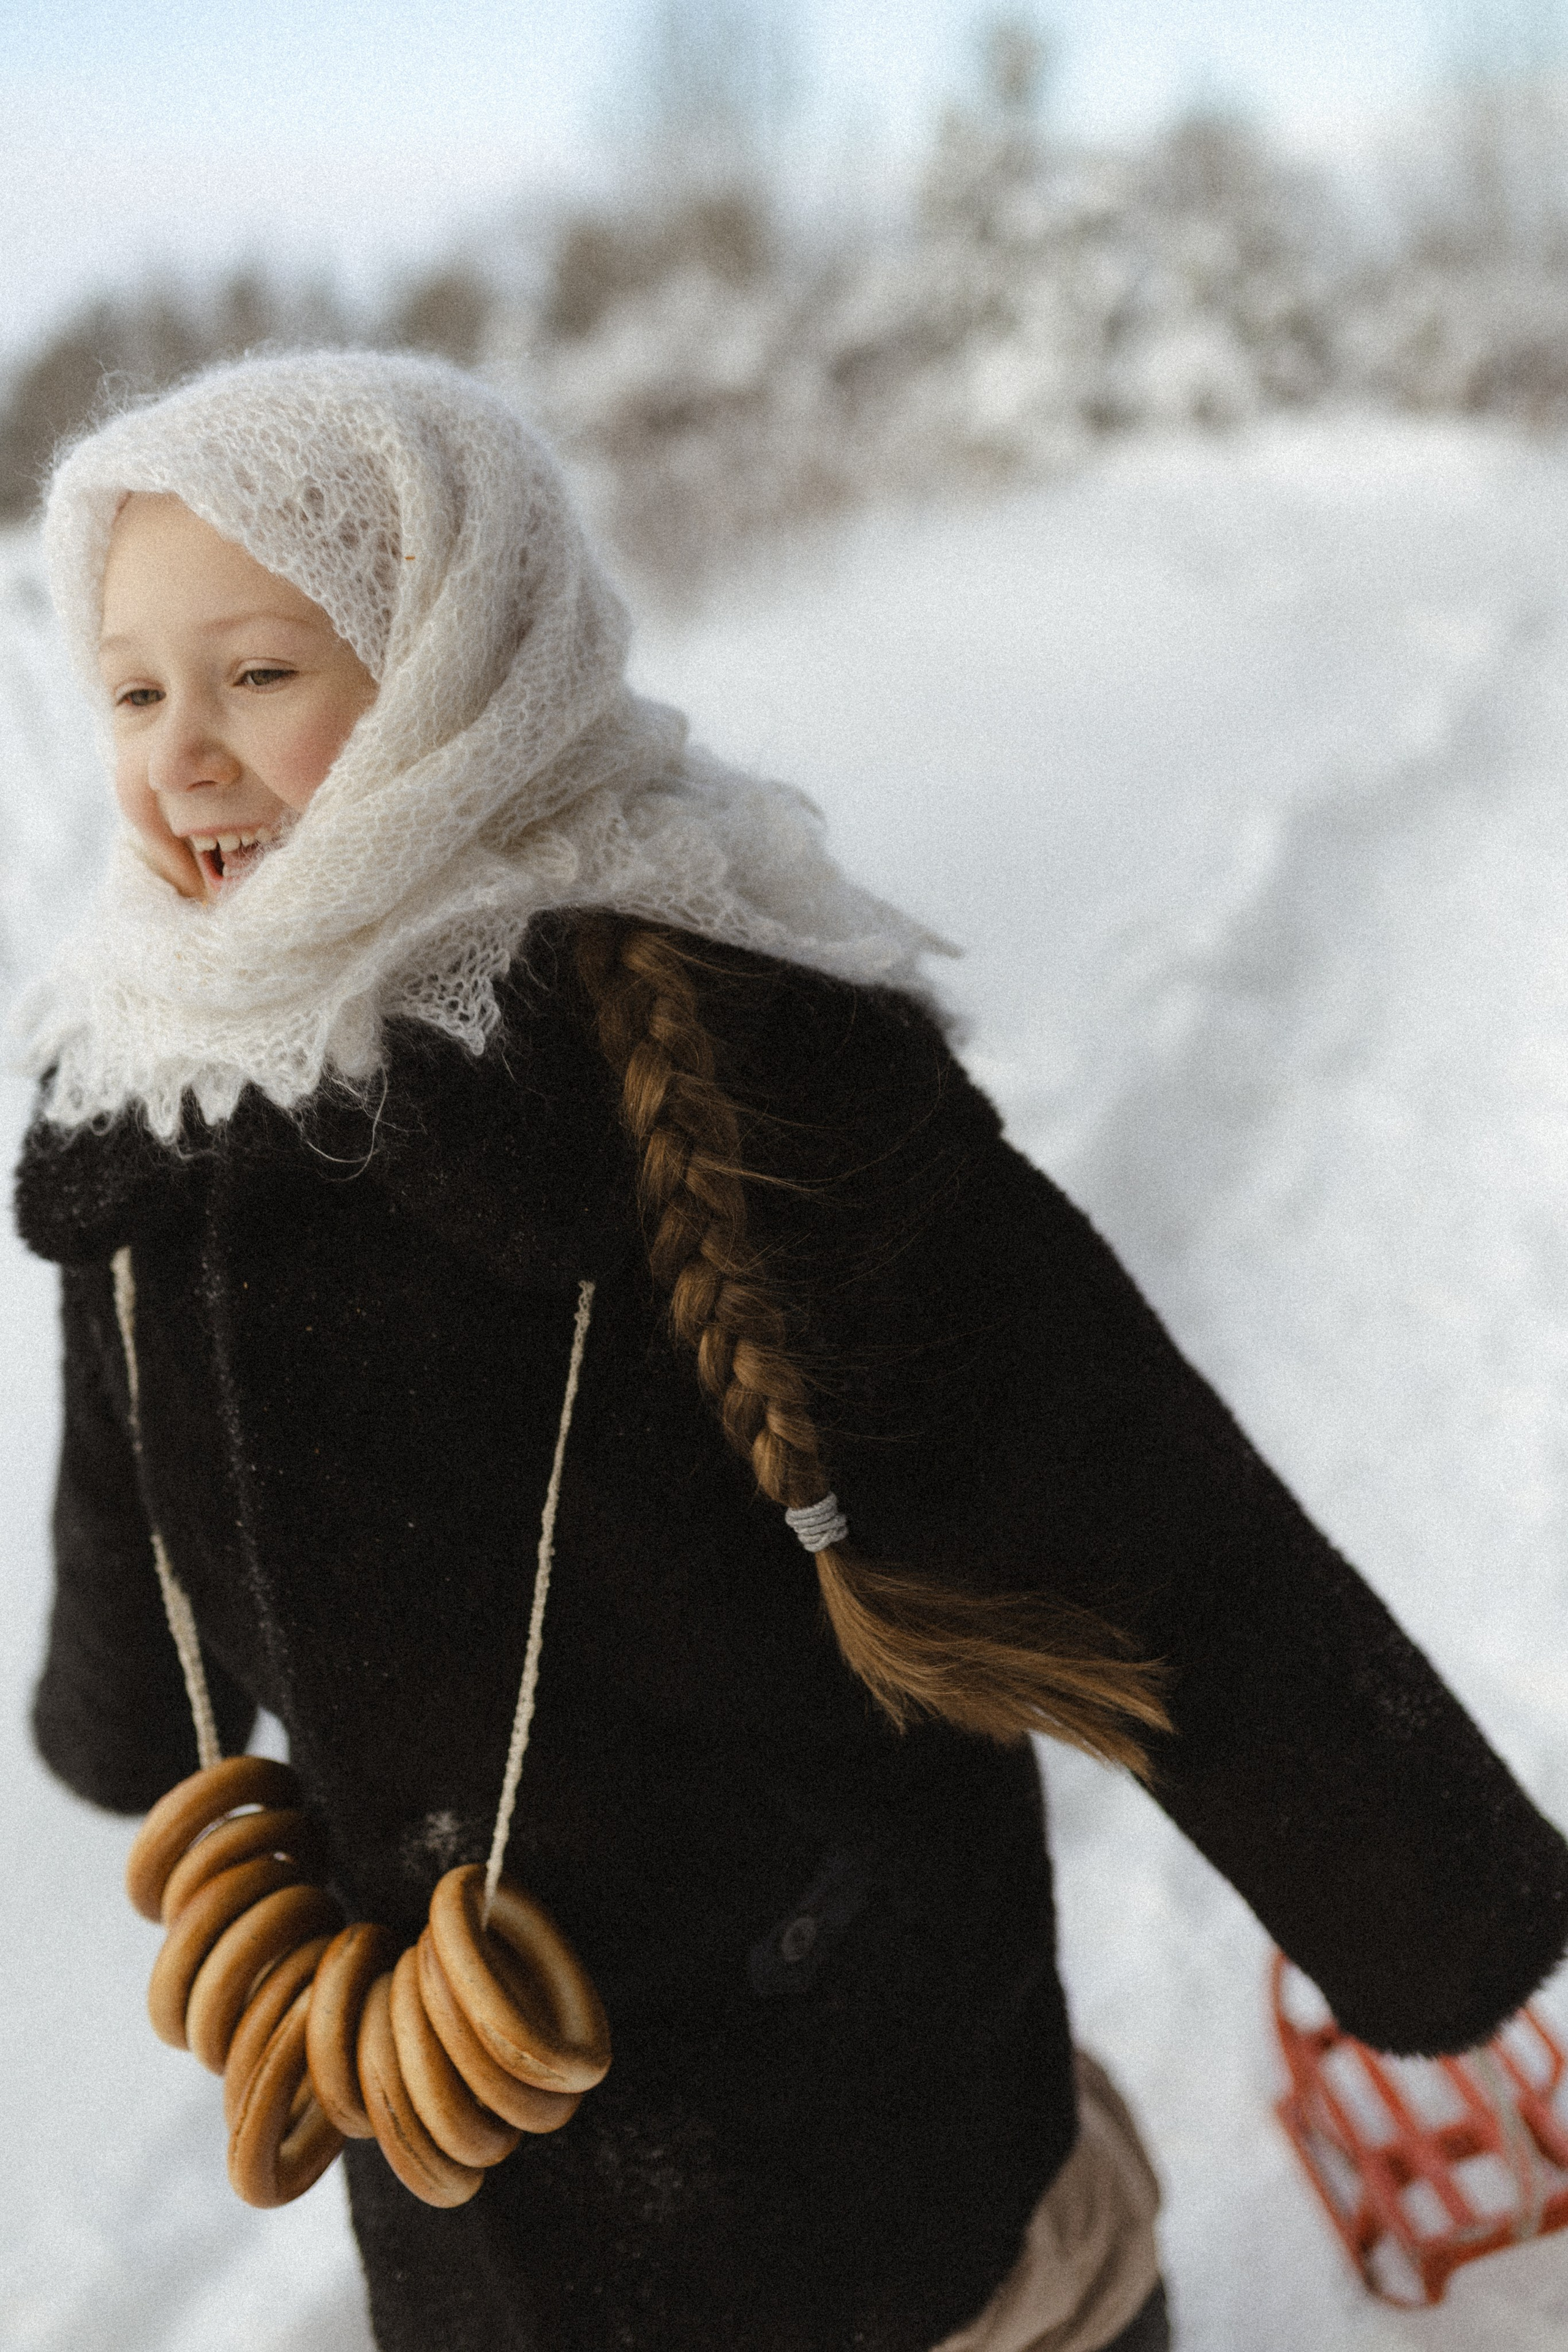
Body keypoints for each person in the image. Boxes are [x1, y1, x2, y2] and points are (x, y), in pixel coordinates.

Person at [12, 352, 1568, 2352]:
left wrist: (1411, 1899)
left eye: (261, 675)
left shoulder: (728, 1043)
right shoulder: (146, 1075)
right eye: (135, 693)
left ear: (458, 664)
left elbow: (1116, 1480)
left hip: (843, 2051)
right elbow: (134, 1488)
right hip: (448, 2113)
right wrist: (132, 1713)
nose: (186, 759)